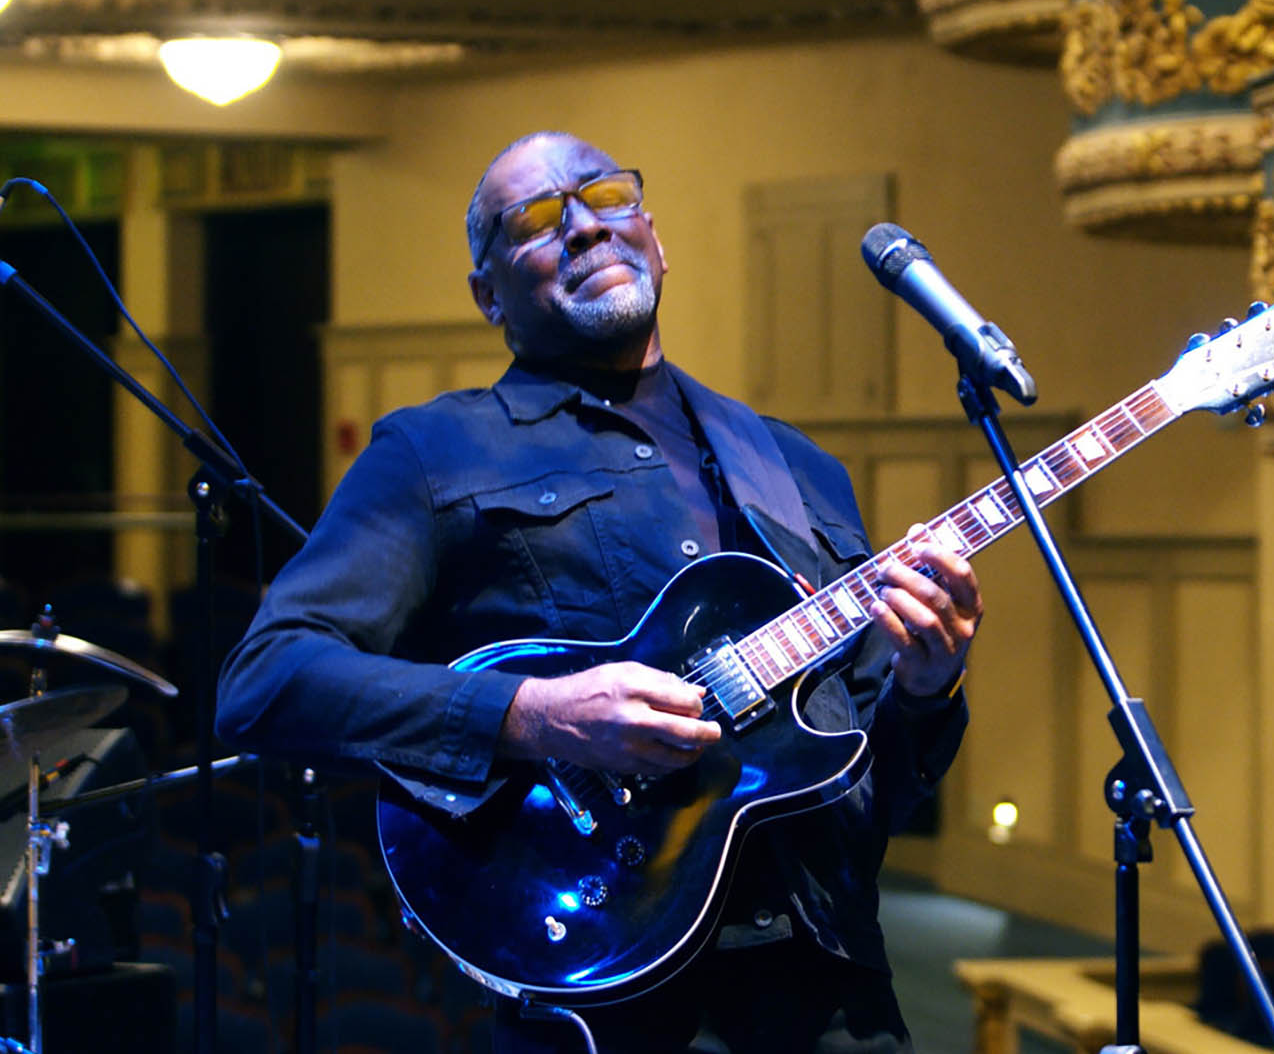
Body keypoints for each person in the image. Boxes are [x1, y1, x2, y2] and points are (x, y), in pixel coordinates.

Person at [216, 131, 983, 1053]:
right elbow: (264, 680)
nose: (584, 227)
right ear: (486, 293)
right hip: (608, 1006)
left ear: (655, 239)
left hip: (831, 996)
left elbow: (867, 793)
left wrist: (923, 687)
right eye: (536, 220)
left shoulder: (794, 466)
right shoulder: (434, 453)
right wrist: (533, 714)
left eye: (607, 196)